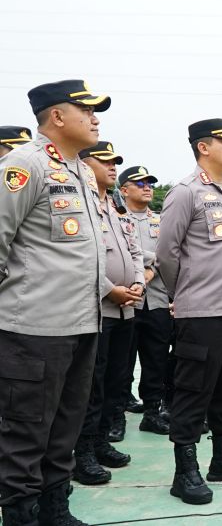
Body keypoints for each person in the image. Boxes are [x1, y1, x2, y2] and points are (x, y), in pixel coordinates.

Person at [0, 79, 110, 526]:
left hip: (81, 324)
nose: (95, 118)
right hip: (34, 330)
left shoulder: (80, 169)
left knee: (64, 428)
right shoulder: (23, 165)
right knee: (25, 434)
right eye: (86, 110)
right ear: (58, 117)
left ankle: (55, 509)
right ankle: (21, 516)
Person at [156, 118, 222, 505]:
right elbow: (166, 253)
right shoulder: (185, 193)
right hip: (200, 313)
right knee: (192, 391)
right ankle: (185, 472)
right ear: (204, 147)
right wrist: (185, 292)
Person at [74, 143, 145, 486]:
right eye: (104, 160)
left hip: (126, 312)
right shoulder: (79, 203)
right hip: (96, 310)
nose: (113, 166)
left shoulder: (115, 207)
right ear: (86, 165)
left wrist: (135, 285)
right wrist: (109, 289)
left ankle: (103, 441)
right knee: (92, 384)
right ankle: (83, 451)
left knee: (118, 378)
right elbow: (79, 255)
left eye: (116, 161)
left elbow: (135, 253)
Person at [117, 165, 173, 436]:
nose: (147, 187)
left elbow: (170, 254)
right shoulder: (114, 218)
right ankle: (116, 416)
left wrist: (149, 268)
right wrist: (149, 262)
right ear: (124, 189)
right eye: (140, 183)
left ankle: (152, 412)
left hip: (157, 301)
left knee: (156, 359)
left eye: (149, 183)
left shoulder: (161, 221)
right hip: (124, 302)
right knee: (120, 361)